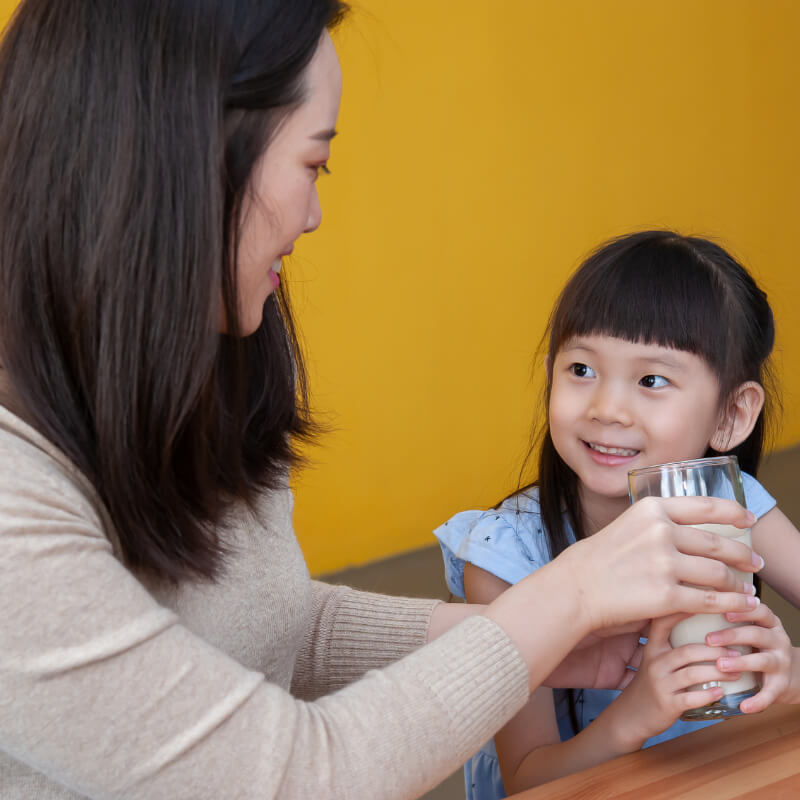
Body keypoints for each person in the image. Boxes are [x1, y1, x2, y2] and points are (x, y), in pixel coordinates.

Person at [0, 4, 763, 799]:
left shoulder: (187, 390)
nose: (314, 214)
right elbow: (301, 777)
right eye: (312, 164)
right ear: (194, 159)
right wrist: (560, 602)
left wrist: (530, 638)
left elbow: (277, 625)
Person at [435, 230, 800, 799]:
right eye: (581, 370)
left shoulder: (733, 506)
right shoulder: (507, 553)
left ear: (732, 413)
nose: (606, 408)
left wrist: (791, 674)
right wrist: (637, 713)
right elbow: (528, 778)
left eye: (652, 379)